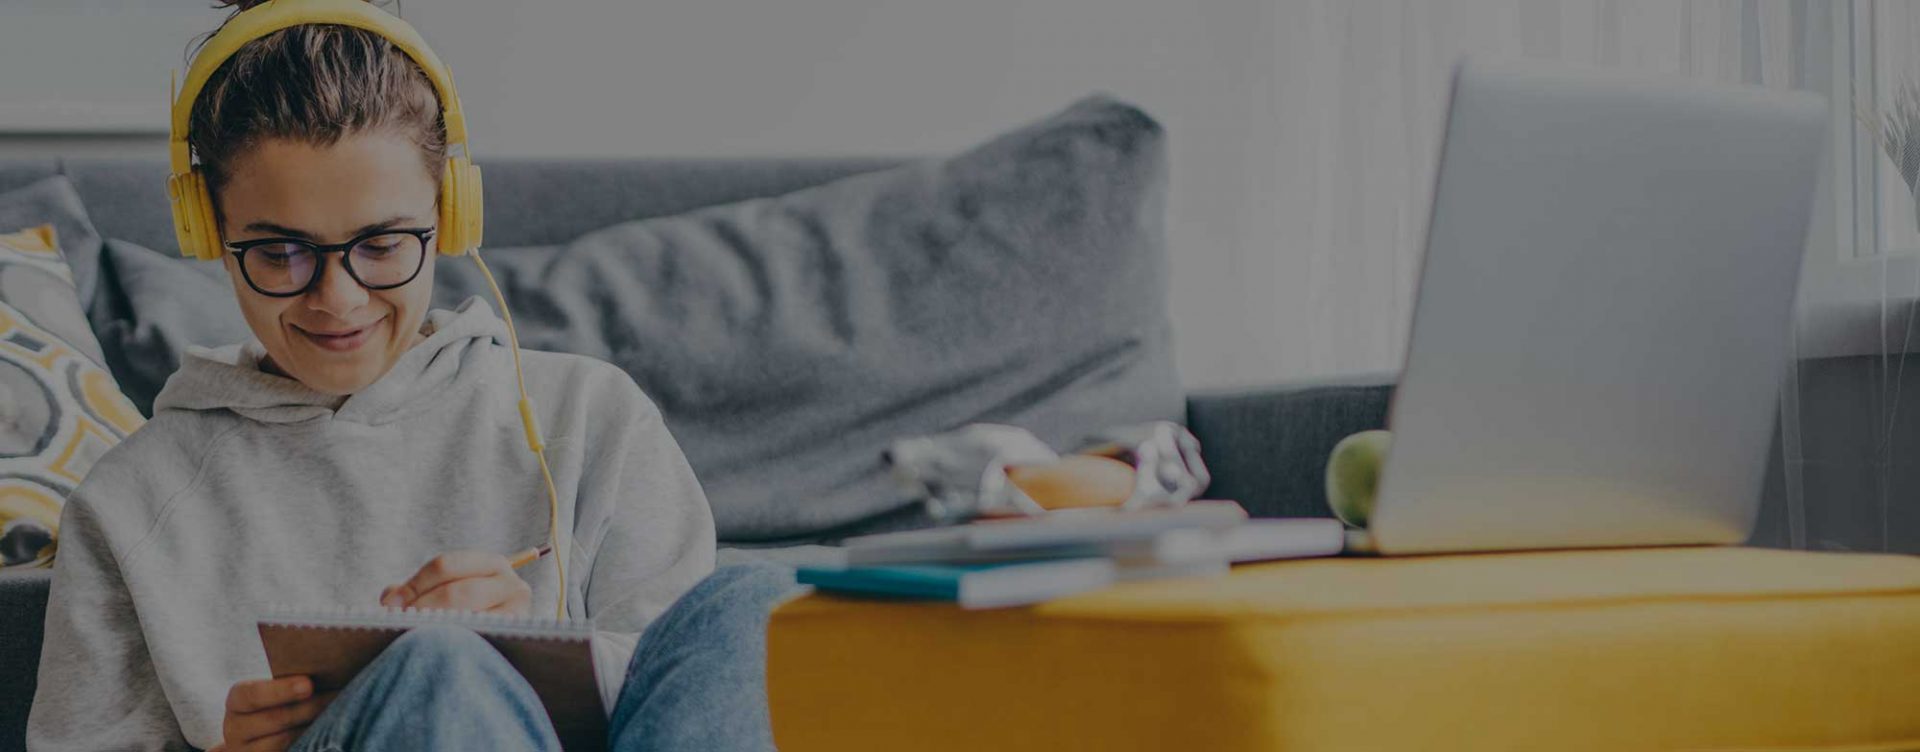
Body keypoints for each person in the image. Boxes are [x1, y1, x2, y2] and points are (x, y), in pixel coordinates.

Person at [26, 1, 801, 749]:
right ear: (209, 232)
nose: (338, 298)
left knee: (749, 602)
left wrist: (534, 655)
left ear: (452, 213)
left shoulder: (591, 415)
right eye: (279, 252)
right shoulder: (131, 501)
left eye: (384, 243)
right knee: (442, 664)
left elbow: (682, 695)